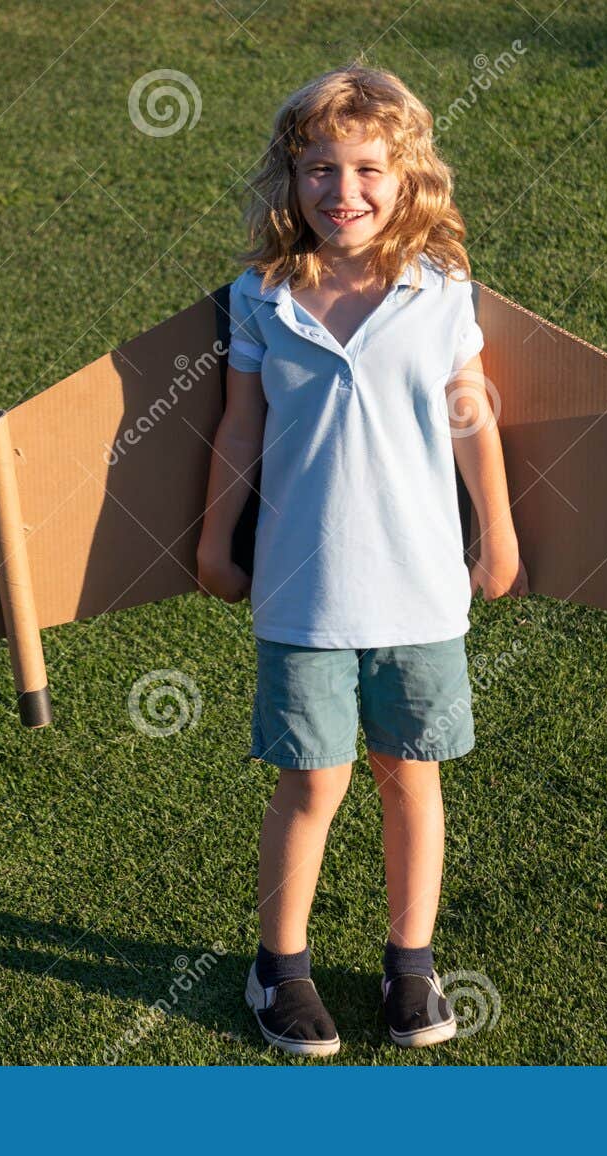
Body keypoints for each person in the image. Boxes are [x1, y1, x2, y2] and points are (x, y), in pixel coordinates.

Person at [196, 62, 525, 1057]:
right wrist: (214, 538)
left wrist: (497, 532)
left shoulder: (442, 291)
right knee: (312, 784)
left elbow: (473, 415)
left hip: (424, 595)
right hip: (302, 599)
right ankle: (279, 970)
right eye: (318, 171)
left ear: (408, 177)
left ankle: (410, 965)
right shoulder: (262, 297)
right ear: (290, 182)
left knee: (410, 776)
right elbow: (238, 428)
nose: (344, 193)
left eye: (368, 170)